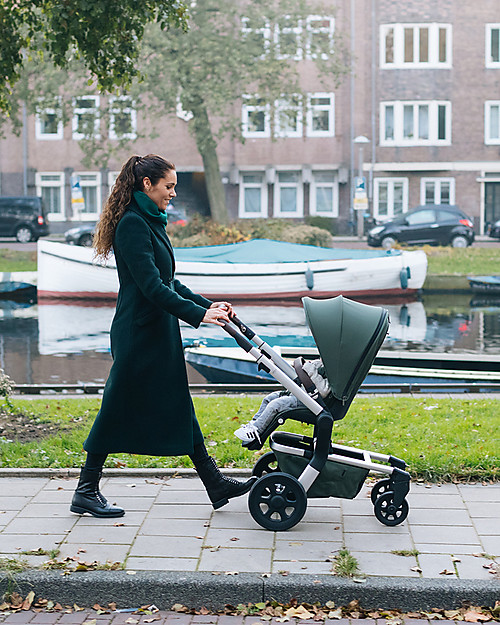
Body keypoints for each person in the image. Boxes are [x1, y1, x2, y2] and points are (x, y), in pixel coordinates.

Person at [70, 154, 255, 518]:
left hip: (158, 332)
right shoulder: (133, 225)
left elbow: (170, 281)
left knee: (178, 402)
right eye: (168, 186)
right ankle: (86, 490)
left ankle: (214, 482)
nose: (172, 193)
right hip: (139, 334)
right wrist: (200, 315)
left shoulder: (152, 221)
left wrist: (207, 304)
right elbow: (152, 287)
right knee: (115, 408)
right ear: (147, 185)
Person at [234, 359, 330, 444]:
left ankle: (257, 431)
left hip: (313, 402)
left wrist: (309, 370)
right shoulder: (325, 364)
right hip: (303, 394)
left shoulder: (335, 376)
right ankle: (255, 423)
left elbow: (323, 391)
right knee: (270, 398)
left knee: (277, 404)